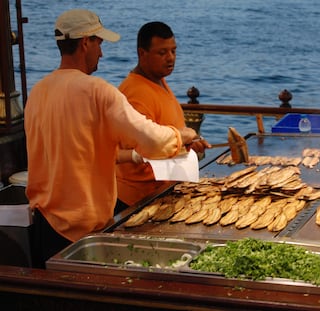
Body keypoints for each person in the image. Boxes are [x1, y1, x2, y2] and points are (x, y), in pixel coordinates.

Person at [24, 9, 198, 268]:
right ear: (85, 43)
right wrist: (181, 135)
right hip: (81, 230)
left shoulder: (38, 92)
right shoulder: (98, 92)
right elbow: (151, 141)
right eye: (99, 43)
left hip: (43, 223)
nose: (102, 53)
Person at [116, 21, 210, 207]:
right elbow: (142, 150)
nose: (170, 58)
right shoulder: (136, 93)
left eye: (173, 51)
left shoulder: (157, 79)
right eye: (162, 53)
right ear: (142, 53)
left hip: (164, 190)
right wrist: (180, 143)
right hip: (139, 199)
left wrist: (188, 143)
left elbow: (166, 133)